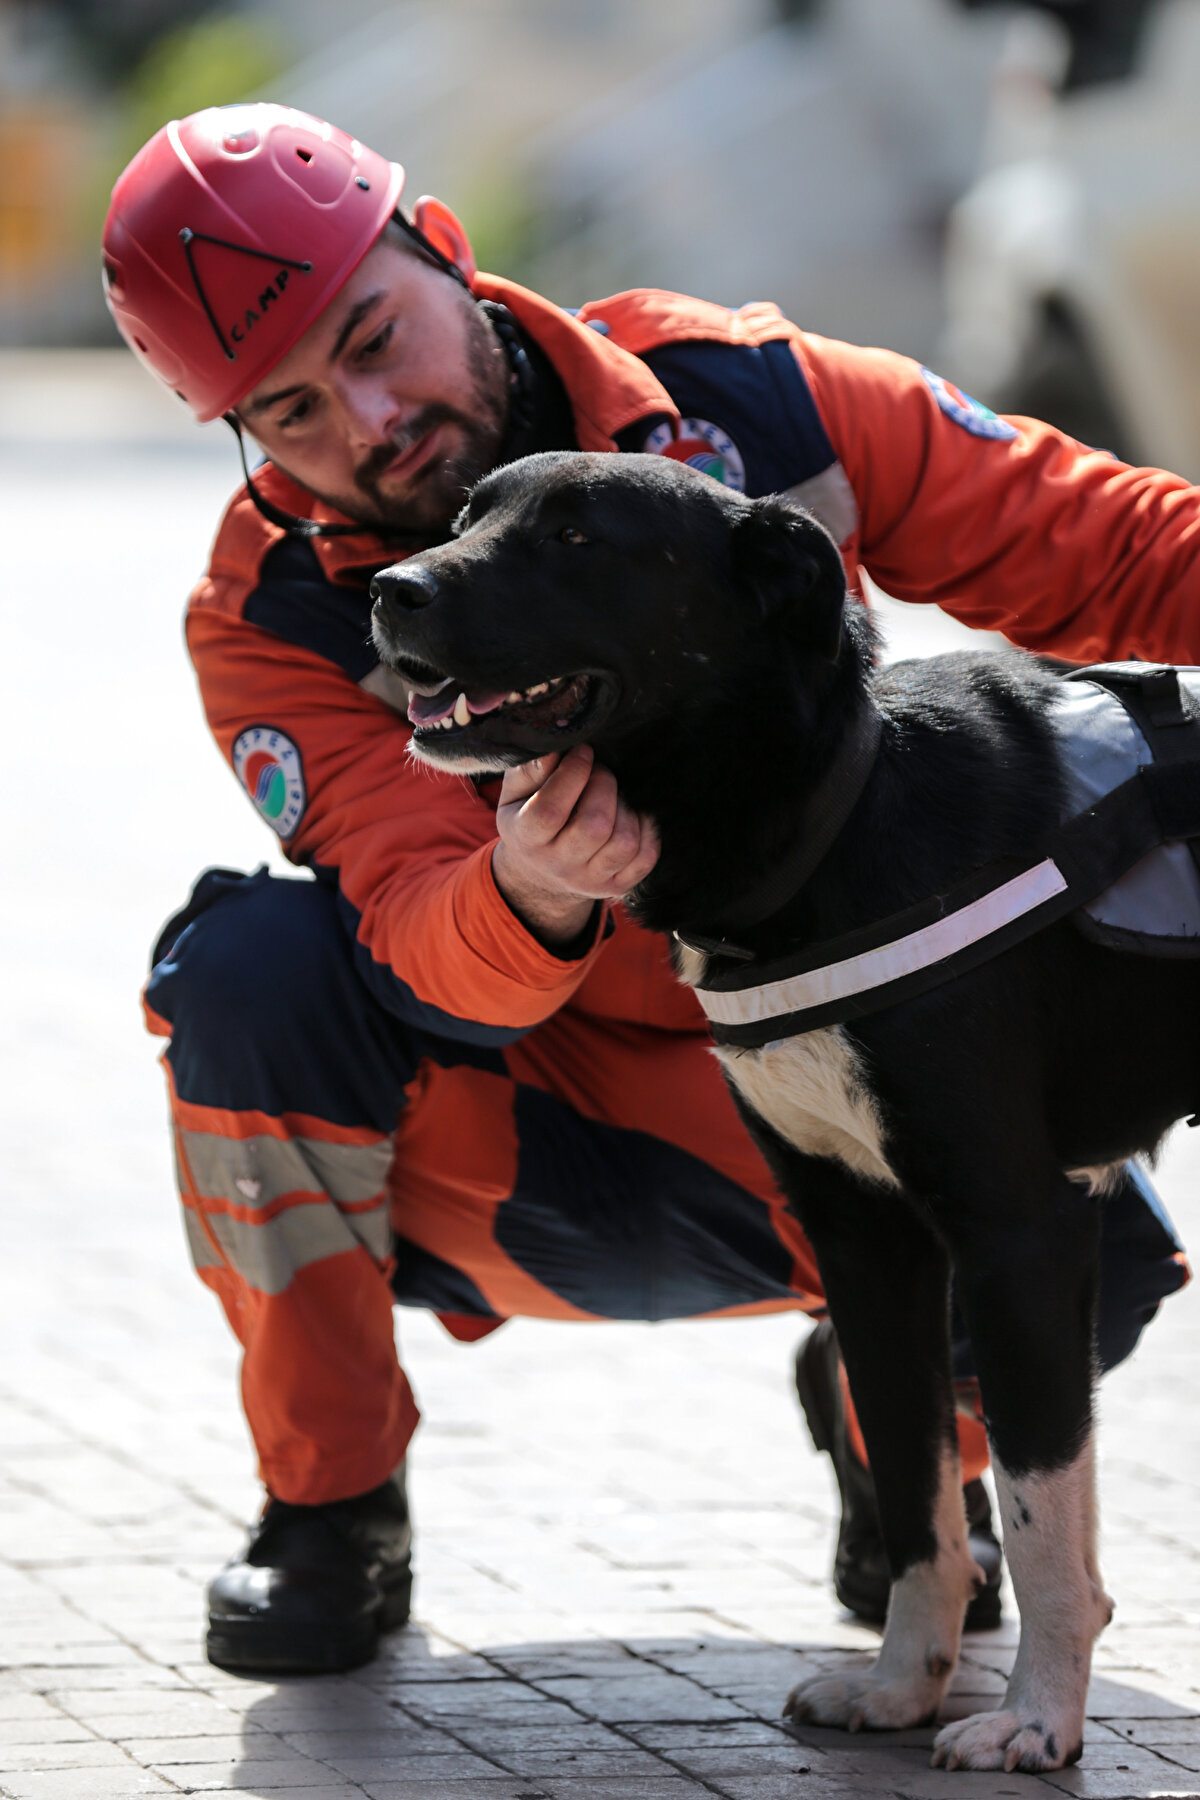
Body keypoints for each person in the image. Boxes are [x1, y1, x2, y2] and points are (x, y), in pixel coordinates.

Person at [103, 102, 1191, 1677]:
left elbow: (1116, 551)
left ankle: (906, 1478)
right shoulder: (270, 615)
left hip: (843, 1102)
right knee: (248, 975)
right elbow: (416, 929)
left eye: (372, 337)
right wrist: (530, 891)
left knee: (1086, 1241)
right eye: (291, 411)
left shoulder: (756, 404)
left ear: (447, 254)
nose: (370, 418)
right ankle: (329, 1513)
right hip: (519, 1150)